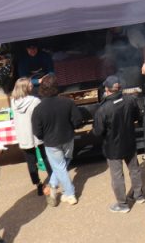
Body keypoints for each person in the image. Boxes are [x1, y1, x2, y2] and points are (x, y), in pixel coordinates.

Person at [91, 74, 145, 212]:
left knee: (117, 175)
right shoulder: (130, 100)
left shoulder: (103, 109)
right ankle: (139, 196)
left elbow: (98, 131)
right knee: (134, 169)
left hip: (113, 147)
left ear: (108, 90)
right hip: (130, 142)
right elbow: (137, 117)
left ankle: (122, 204)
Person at [31, 73, 87, 206]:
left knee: (60, 167)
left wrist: (43, 137)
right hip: (68, 138)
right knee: (63, 164)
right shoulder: (68, 102)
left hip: (51, 142)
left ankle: (70, 193)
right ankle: (53, 185)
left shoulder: (38, 109)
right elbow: (78, 120)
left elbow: (37, 132)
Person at [10, 77, 46, 197]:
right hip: (36, 133)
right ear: (25, 88)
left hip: (23, 135)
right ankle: (52, 179)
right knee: (46, 157)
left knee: (30, 162)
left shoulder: (13, 102)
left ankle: (38, 184)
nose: (32, 86)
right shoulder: (34, 101)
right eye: (30, 85)